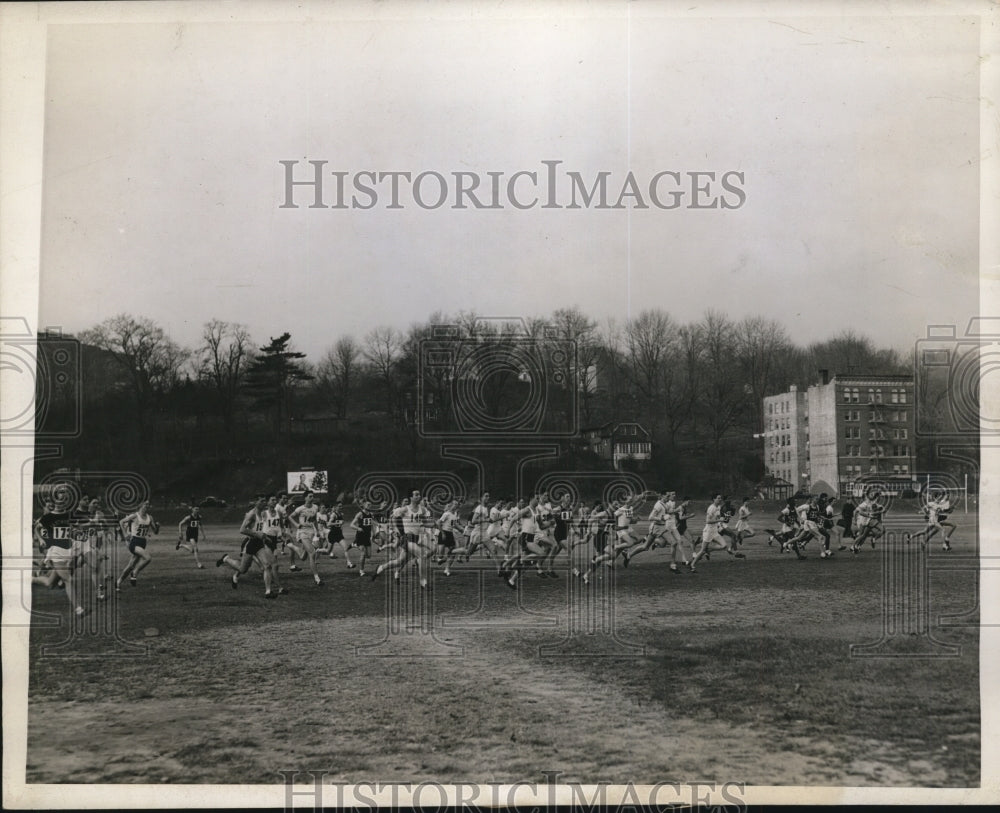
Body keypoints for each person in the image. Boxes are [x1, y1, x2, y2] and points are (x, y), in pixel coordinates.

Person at [216, 497, 286, 598]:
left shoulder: (263, 513)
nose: (264, 503)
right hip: (250, 543)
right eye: (261, 501)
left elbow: (262, 528)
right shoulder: (252, 514)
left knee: (267, 566)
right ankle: (226, 559)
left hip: (259, 543)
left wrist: (265, 537)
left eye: (265, 501)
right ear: (256, 502)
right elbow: (242, 529)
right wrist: (257, 534)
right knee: (243, 569)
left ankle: (268, 592)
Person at [32, 500, 88, 617]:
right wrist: (41, 539)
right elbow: (37, 528)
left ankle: (31, 579)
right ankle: (78, 609)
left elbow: (72, 529)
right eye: (59, 499)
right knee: (69, 579)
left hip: (68, 551)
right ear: (55, 501)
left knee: (49, 583)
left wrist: (78, 533)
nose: (62, 501)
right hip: (55, 552)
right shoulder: (47, 517)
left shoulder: (69, 515)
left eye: (64, 499)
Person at [690, 495, 746, 571]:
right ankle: (692, 565)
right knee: (702, 551)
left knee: (724, 545)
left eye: (720, 498)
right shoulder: (711, 508)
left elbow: (719, 518)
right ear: (714, 499)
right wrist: (719, 520)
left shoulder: (718, 507)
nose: (720, 499)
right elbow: (708, 521)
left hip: (715, 531)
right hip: (708, 531)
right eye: (718, 498)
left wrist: (721, 520)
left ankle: (708, 549)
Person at [116, 501, 159, 590]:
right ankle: (135, 572)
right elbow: (121, 522)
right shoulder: (135, 516)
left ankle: (118, 582)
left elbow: (155, 532)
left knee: (130, 565)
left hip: (143, 542)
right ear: (140, 506)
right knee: (147, 558)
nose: (147, 506)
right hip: (134, 541)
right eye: (145, 504)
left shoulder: (150, 517)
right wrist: (125, 534)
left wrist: (158, 527)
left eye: (148, 505)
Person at [288, 492, 324, 586]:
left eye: (313, 496)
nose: (312, 498)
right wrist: (296, 525)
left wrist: (318, 531)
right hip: (302, 532)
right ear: (305, 498)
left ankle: (291, 546)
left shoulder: (315, 507)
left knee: (303, 557)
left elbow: (315, 519)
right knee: (312, 553)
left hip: (311, 532)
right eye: (310, 496)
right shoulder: (300, 508)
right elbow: (290, 517)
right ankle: (317, 578)